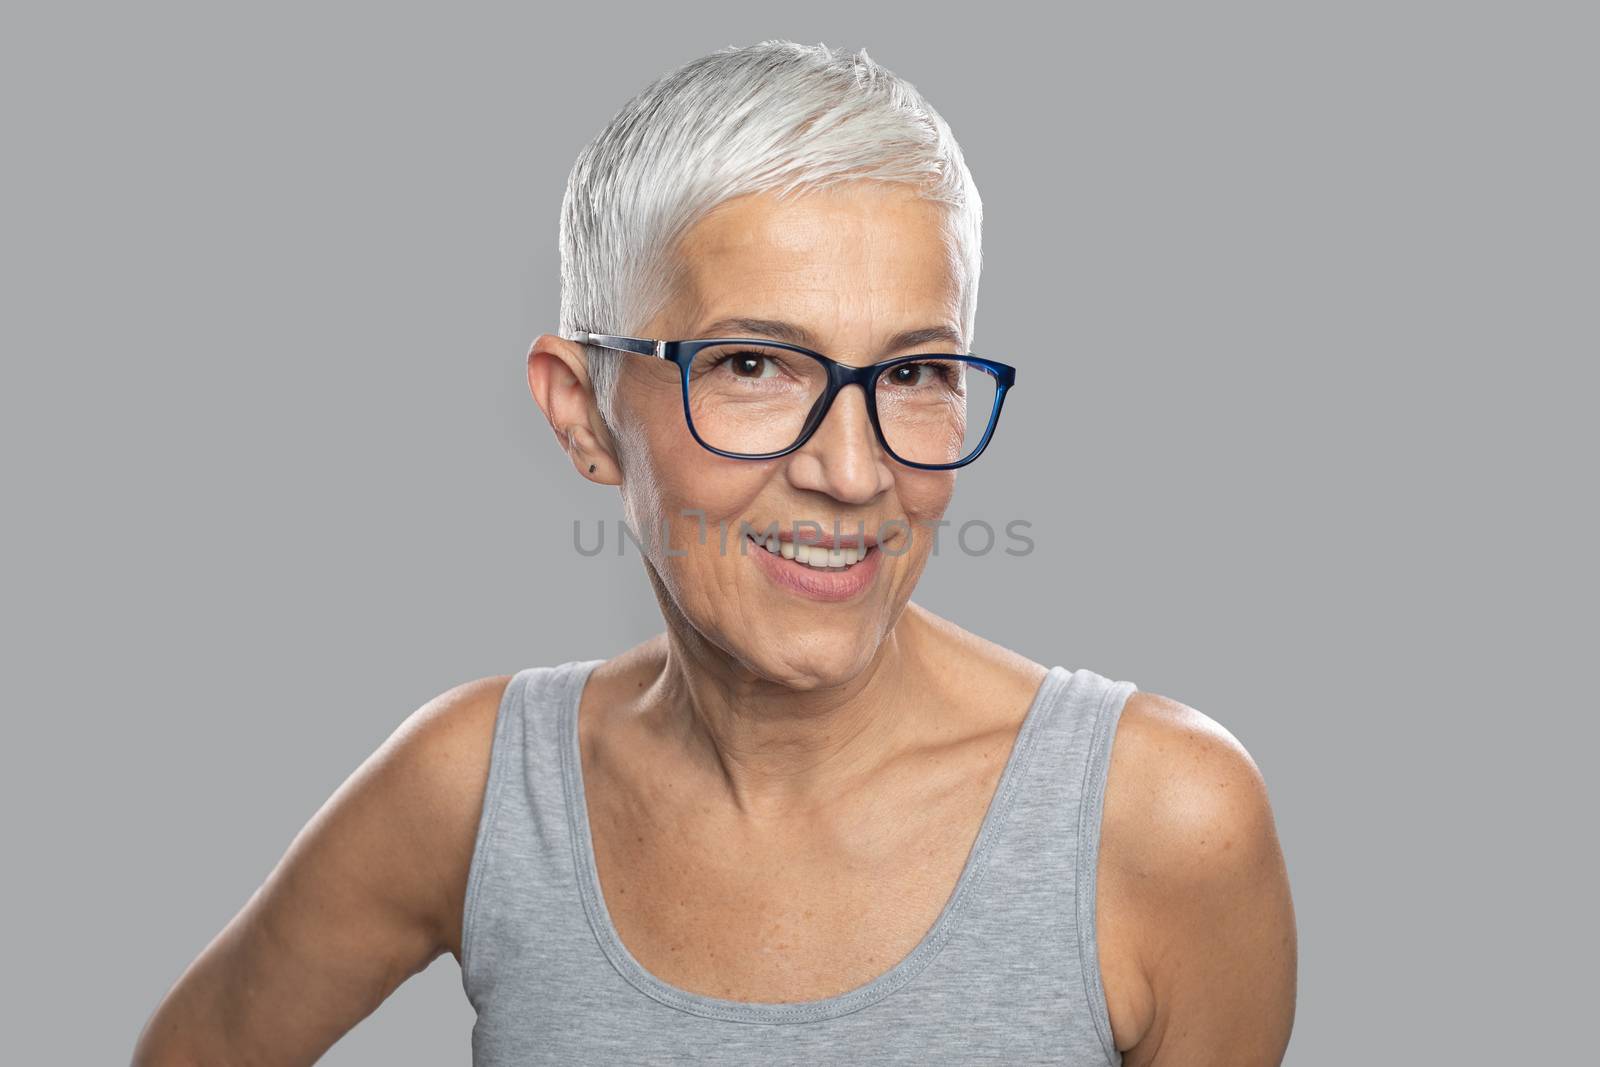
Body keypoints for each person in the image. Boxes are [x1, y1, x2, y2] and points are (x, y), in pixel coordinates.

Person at [132, 40, 1296, 1066]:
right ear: (582, 413)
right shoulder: (478, 792)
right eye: (751, 364)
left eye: (913, 372)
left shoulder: (1159, 821)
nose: (851, 470)